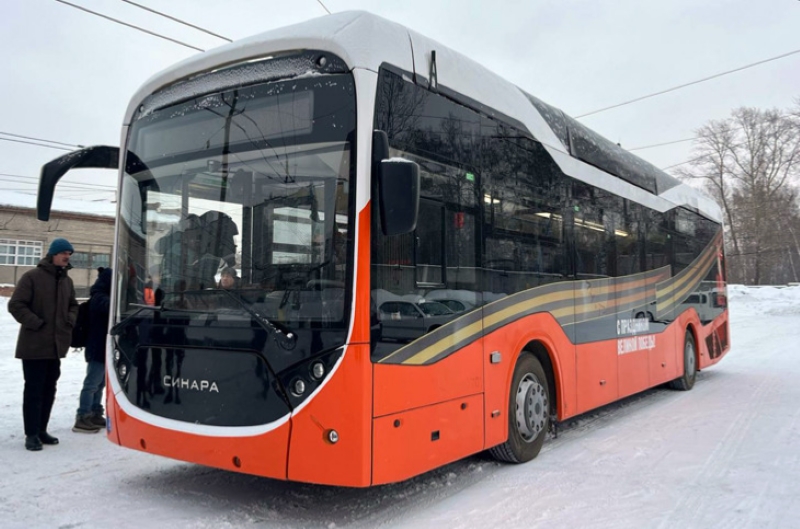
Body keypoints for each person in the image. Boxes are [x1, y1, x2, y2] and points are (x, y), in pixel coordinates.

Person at [8, 237, 79, 451]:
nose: (66, 256)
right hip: (34, 346)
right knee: (34, 391)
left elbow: (74, 305)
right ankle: (31, 434)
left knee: (49, 389)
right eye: (63, 253)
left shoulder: (67, 281)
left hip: (56, 347)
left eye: (69, 253)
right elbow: (16, 305)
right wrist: (36, 323)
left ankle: (41, 430)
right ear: (52, 254)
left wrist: (69, 320)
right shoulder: (32, 277)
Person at [73, 267, 112, 433]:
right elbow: (108, 306)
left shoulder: (102, 295)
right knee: (91, 383)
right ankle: (83, 416)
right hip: (97, 347)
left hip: (104, 346)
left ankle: (96, 412)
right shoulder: (98, 297)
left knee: (100, 383)